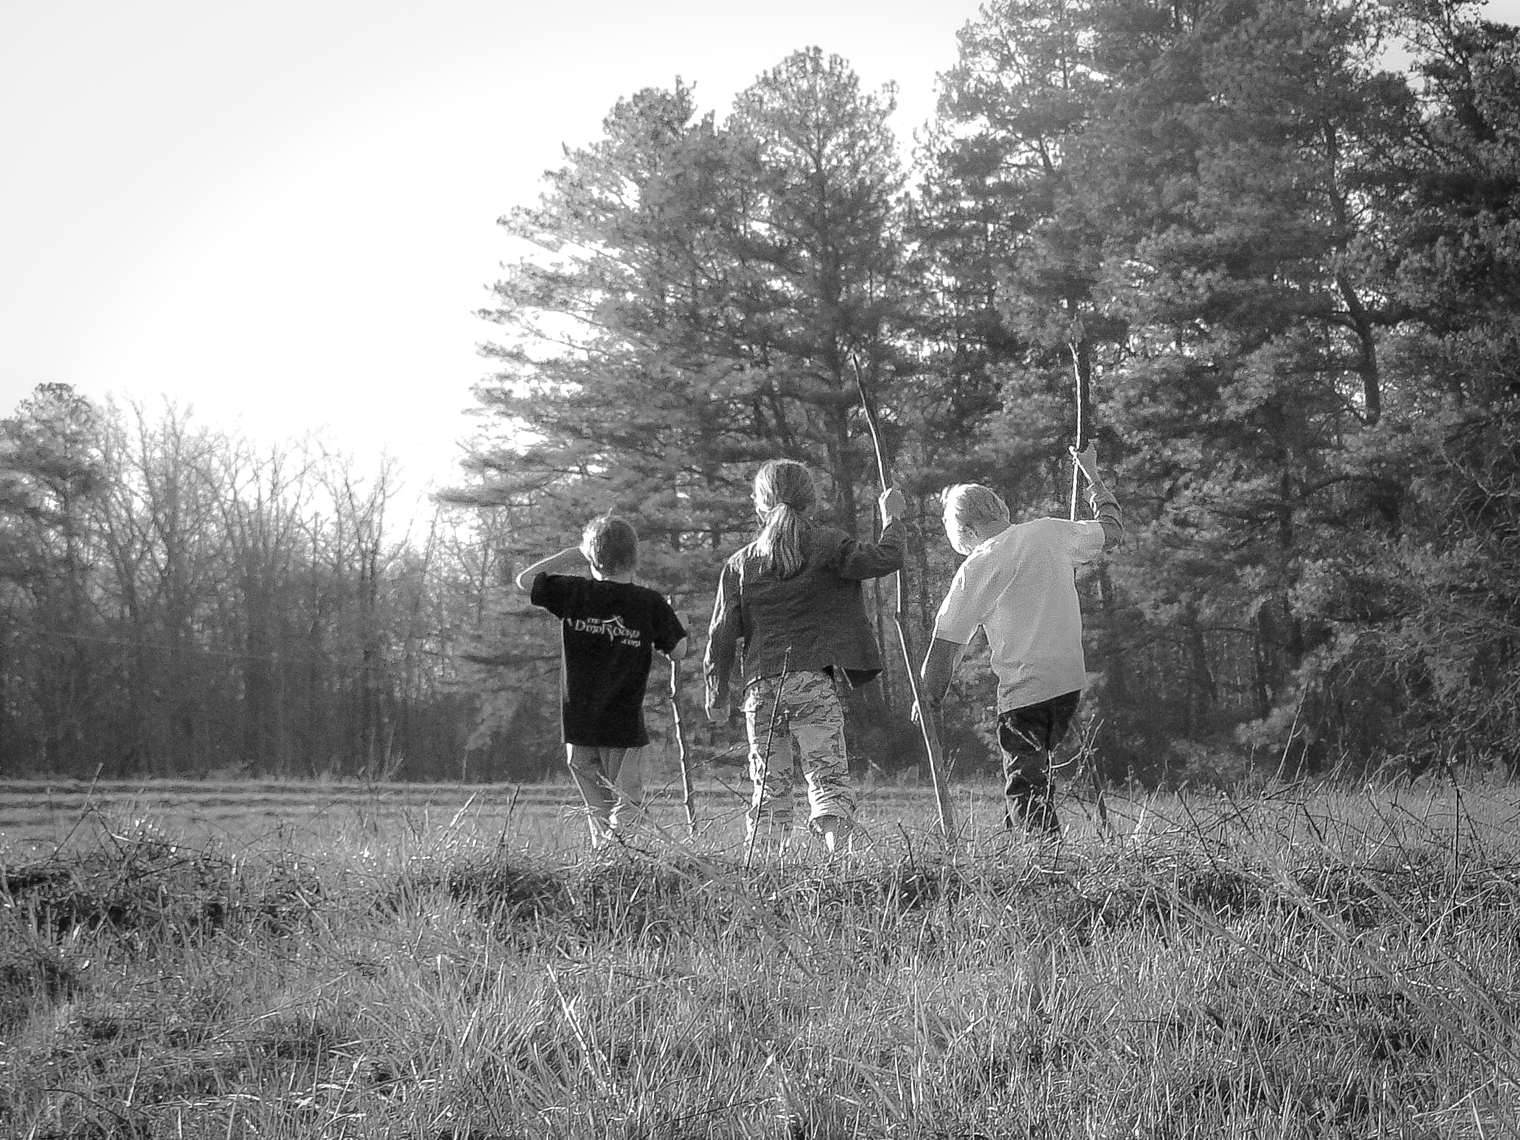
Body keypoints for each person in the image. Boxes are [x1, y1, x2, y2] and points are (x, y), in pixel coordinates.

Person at [914, 444, 1123, 835]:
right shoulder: (1050, 532)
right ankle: (1016, 851)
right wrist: (1092, 474)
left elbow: (947, 644)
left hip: (1025, 693)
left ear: (968, 531)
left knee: (1026, 788)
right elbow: (1112, 532)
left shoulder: (977, 566)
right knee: (1027, 777)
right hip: (1068, 684)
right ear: (999, 509)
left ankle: (1045, 865)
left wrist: (929, 697)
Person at [704, 459, 906, 854]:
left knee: (768, 790)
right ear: (811, 502)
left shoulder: (740, 564)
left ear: (759, 505)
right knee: (827, 778)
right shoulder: (830, 544)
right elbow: (885, 559)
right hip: (812, 682)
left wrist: (716, 693)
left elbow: (721, 635)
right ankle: (839, 864)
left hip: (760, 689)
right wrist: (892, 519)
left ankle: (763, 871)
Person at [517, 514, 687, 847]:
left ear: (591, 557)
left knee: (598, 808)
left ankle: (605, 863)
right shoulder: (648, 603)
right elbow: (679, 651)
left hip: (578, 724)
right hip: (622, 726)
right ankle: (616, 861)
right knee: (626, 804)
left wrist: (574, 553)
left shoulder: (574, 593)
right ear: (634, 557)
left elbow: (525, 580)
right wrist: (679, 624)